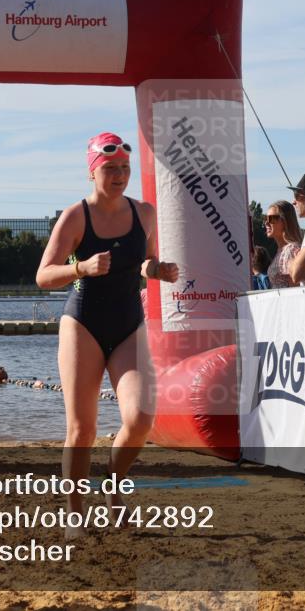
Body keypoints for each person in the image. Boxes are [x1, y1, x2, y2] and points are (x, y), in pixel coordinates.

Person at [35, 132, 179, 539]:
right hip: (83, 323)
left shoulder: (145, 213)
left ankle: (114, 489)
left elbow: (145, 262)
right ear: (92, 171)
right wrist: (80, 268)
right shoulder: (76, 216)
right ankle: (74, 514)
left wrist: (158, 270)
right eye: (111, 168)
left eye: (125, 168)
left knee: (140, 418)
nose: (119, 175)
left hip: (128, 323)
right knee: (82, 429)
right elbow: (43, 276)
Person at [263, 200, 304, 288]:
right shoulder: (282, 250)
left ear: (285, 221)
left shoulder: (291, 250)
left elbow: (295, 288)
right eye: (265, 219)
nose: (266, 223)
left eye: (271, 218)